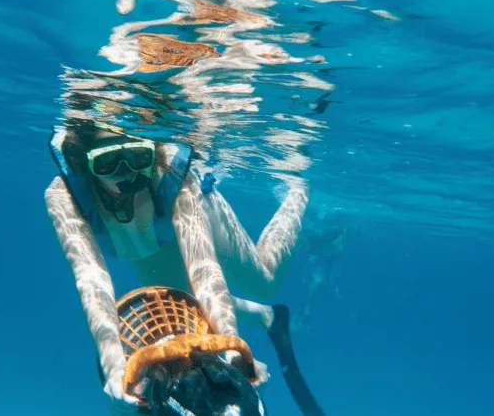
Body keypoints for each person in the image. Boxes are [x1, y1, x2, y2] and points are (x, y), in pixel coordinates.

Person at [44, 123, 309, 414]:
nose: (127, 174)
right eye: (108, 163)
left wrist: (232, 346)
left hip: (192, 219)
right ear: (83, 161)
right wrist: (115, 367)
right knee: (177, 304)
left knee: (264, 281)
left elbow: (205, 273)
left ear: (152, 154)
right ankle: (265, 314)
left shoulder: (173, 177)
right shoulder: (64, 196)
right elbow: (92, 280)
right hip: (145, 240)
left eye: (137, 157)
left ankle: (299, 191)